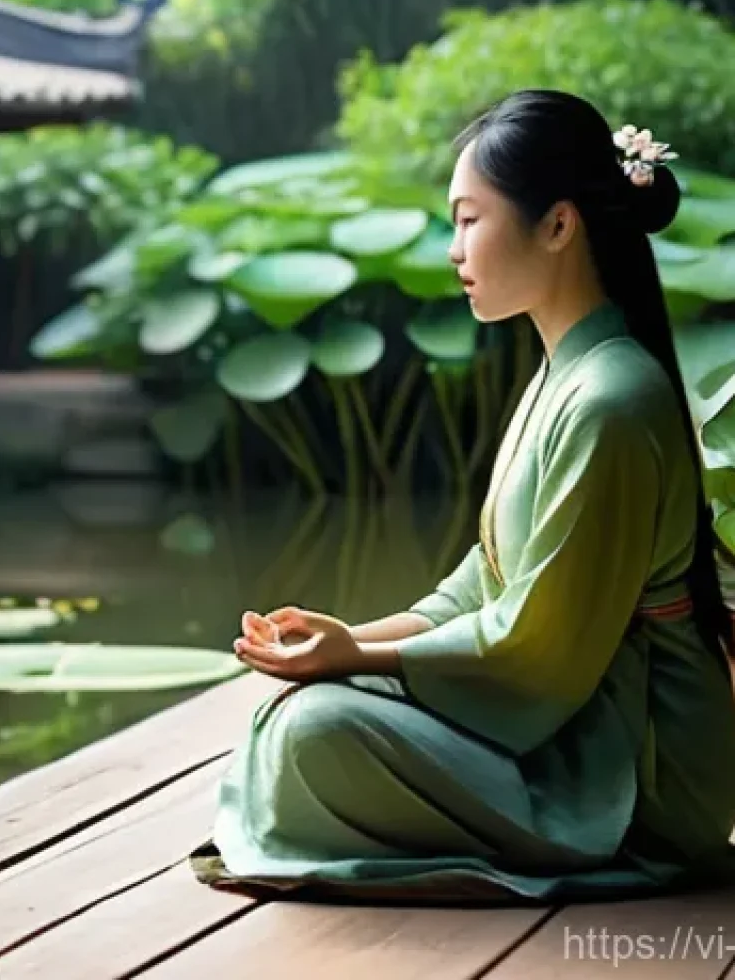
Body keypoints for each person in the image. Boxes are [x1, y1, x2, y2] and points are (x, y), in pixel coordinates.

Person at [189, 89, 735, 903]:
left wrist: (362, 660)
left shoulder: (611, 398)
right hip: (570, 711)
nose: (455, 248)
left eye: (470, 219)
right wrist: (344, 645)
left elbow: (539, 645)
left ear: (557, 225)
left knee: (315, 732)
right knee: (304, 712)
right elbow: (484, 580)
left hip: (631, 770)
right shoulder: (566, 374)